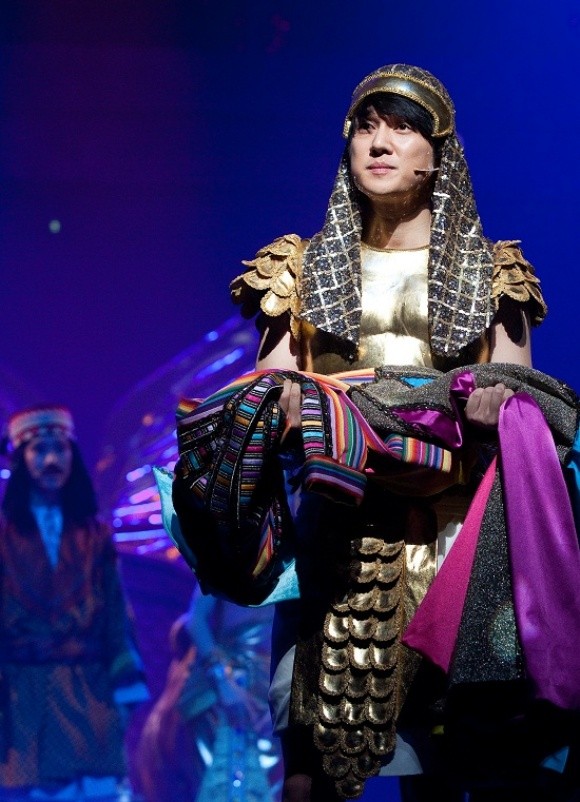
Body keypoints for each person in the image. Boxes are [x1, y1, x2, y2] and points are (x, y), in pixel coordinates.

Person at [168, 63, 580, 802]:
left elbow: (530, 404)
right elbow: (269, 398)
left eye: (402, 128)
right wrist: (287, 412)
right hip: (339, 528)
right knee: (310, 772)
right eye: (365, 126)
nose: (379, 142)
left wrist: (497, 408)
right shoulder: (296, 268)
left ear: (437, 153)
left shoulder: (495, 274)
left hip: (454, 533)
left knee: (451, 768)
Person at [0, 404, 149, 802]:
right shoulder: (3, 539)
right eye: (39, 449)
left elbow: (116, 615)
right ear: (21, 458)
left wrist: (125, 687)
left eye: (60, 448)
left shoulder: (95, 537)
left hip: (88, 693)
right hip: (22, 698)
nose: (51, 459)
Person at [135, 583, 282, 802]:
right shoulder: (227, 561)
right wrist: (223, 680)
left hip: (273, 684)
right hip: (228, 684)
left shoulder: (296, 567)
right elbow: (196, 621)